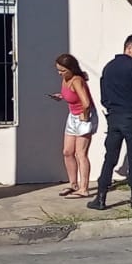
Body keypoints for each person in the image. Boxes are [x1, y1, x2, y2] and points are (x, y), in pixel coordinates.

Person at [89, 34, 132, 210]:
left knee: (110, 158)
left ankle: (100, 198)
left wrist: (112, 107)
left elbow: (103, 95)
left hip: (114, 118)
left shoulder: (109, 67)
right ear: (129, 48)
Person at [50, 53, 97, 198]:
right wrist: (62, 96)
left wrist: (84, 114)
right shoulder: (66, 79)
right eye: (58, 70)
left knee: (80, 153)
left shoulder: (77, 80)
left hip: (84, 117)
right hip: (72, 116)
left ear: (71, 69)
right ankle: (73, 184)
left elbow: (86, 102)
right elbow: (71, 95)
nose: (60, 73)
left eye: (63, 70)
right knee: (67, 151)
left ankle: (84, 188)